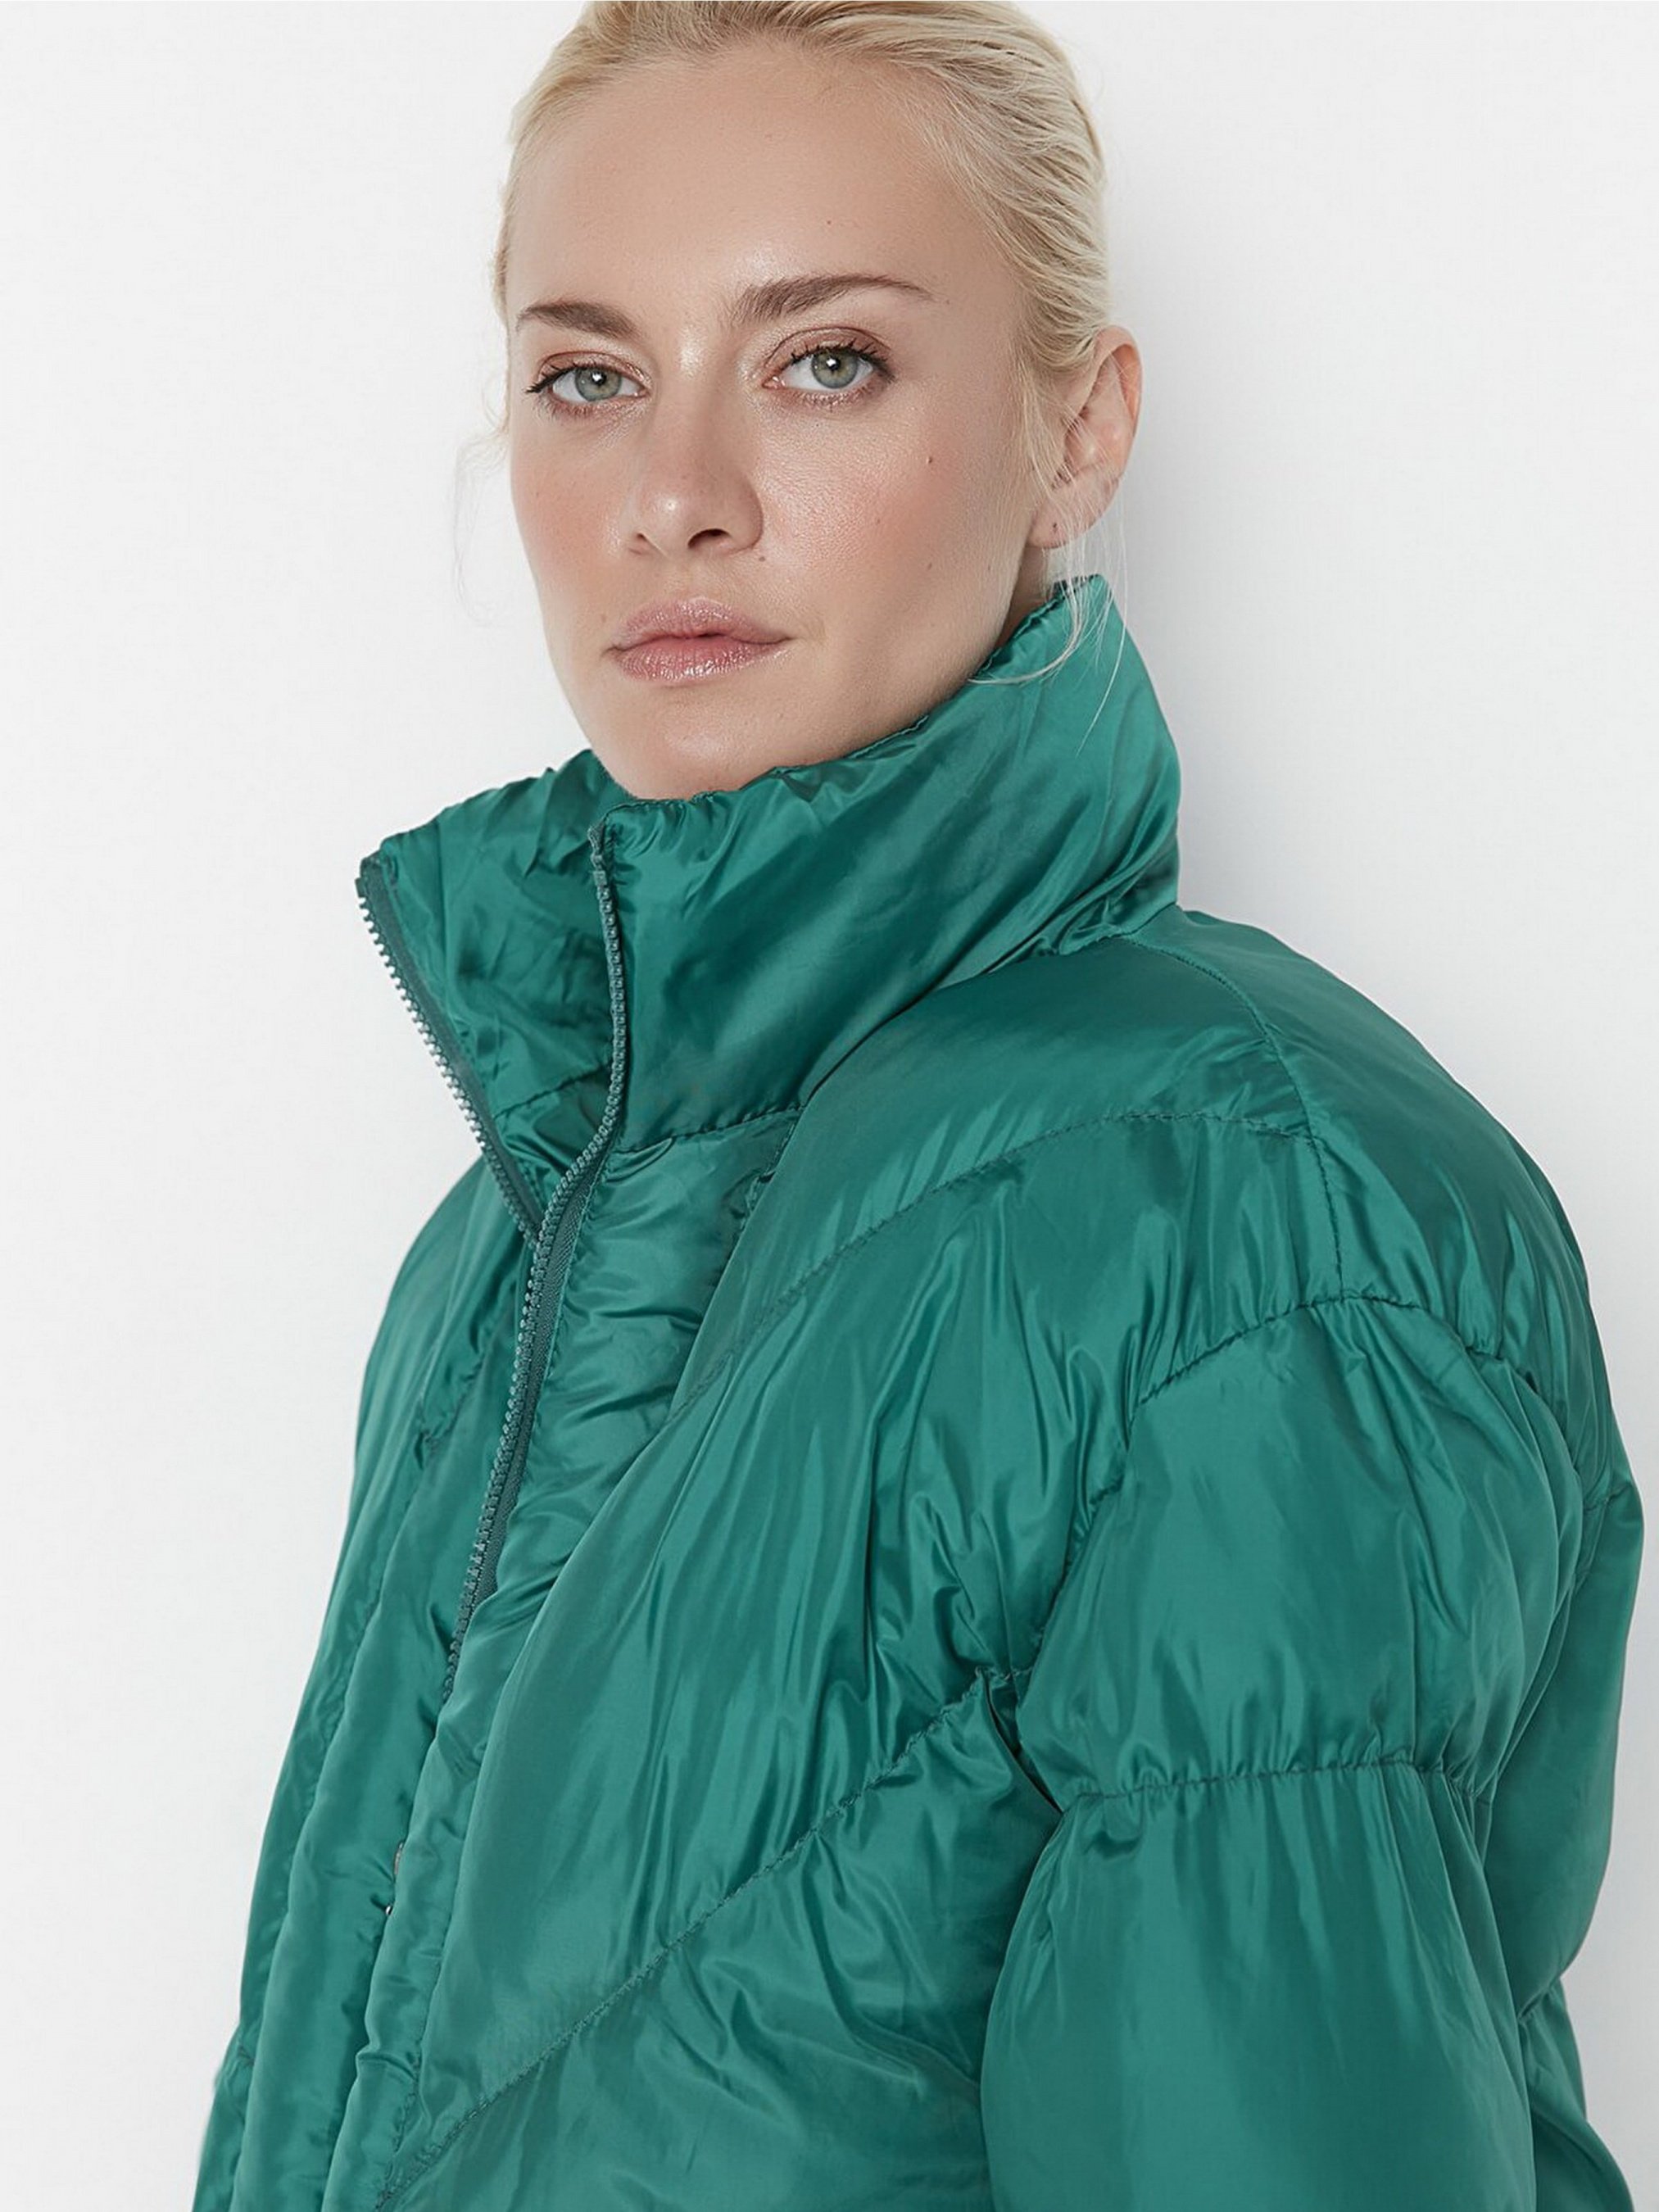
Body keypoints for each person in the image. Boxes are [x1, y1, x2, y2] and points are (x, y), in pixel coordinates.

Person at [192, 5, 1643, 2208]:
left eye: (824, 360)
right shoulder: (506, 1249)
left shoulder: (1248, 1221)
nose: (674, 494)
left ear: (1079, 430)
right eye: (587, 377)